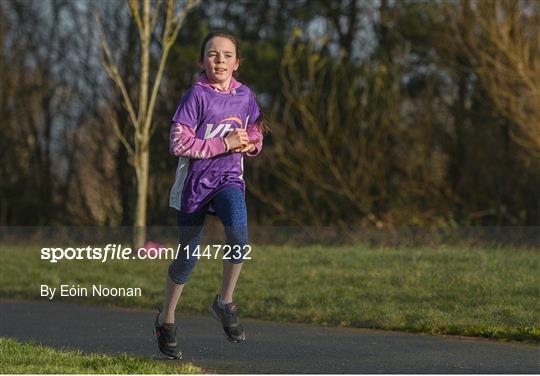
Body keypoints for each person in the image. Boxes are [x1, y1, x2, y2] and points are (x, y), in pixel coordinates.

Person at [153, 31, 269, 360]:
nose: (219, 60)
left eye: (226, 55)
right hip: (194, 185)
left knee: (239, 237)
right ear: (203, 61)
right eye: (213, 55)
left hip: (229, 178)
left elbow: (256, 128)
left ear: (236, 62)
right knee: (188, 257)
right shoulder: (196, 95)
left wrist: (251, 143)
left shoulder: (245, 96)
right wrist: (225, 144)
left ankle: (224, 302)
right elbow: (178, 143)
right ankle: (167, 320)